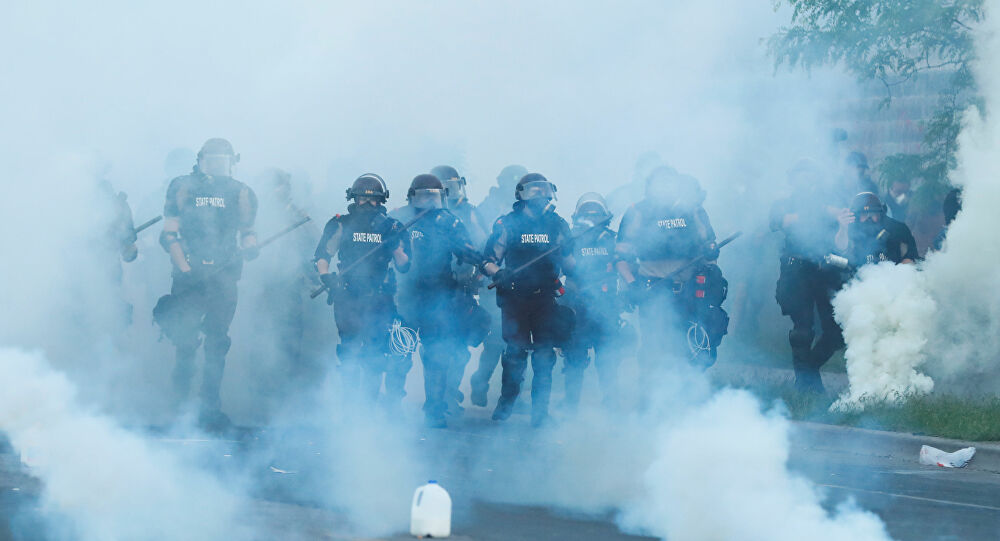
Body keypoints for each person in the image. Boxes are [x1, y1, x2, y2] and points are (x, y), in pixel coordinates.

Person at [153, 138, 258, 431]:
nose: (216, 165)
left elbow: (247, 231)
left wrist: (251, 246)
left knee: (217, 342)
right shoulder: (183, 186)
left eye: (222, 160)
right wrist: (186, 268)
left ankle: (210, 407)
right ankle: (179, 409)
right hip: (189, 276)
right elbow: (169, 234)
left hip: (224, 276)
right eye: (210, 160)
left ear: (232, 162)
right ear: (200, 160)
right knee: (185, 341)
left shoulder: (241, 192)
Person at [391, 174, 488, 427]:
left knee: (436, 355)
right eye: (423, 196)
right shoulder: (399, 219)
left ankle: (434, 409)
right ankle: (392, 407)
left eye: (433, 196)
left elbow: (467, 250)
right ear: (412, 196)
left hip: (438, 298)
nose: (428, 201)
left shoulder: (449, 221)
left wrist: (487, 265)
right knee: (400, 352)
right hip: (407, 297)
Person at [616, 167, 725, 390]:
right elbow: (620, 256)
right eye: (660, 182)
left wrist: (711, 265)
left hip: (689, 288)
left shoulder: (692, 209)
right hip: (652, 289)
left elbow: (710, 250)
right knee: (653, 346)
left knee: (692, 344)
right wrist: (632, 284)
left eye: (669, 182)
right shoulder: (637, 212)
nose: (665, 187)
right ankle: (650, 395)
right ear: (650, 186)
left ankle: (690, 394)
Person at [481, 173, 574, 427]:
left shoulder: (557, 224)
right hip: (515, 298)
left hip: (545, 298)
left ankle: (540, 414)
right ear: (522, 195)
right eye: (535, 191)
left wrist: (574, 257)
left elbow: (569, 263)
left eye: (544, 191)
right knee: (515, 353)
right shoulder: (508, 224)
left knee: (544, 356)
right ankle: (507, 401)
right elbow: (488, 260)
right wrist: (498, 273)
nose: (540, 195)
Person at [314, 173, 411, 412]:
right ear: (353, 199)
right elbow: (323, 255)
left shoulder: (393, 227)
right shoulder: (341, 224)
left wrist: (395, 247)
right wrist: (326, 277)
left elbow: (404, 265)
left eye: (373, 200)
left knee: (376, 353)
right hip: (348, 296)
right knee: (348, 349)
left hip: (380, 298)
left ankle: (368, 407)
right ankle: (349, 406)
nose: (367, 204)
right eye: (362, 199)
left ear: (381, 200)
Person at [769, 158, 844, 393]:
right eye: (801, 175)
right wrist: (821, 212)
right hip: (797, 270)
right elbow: (781, 221)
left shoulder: (830, 201)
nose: (806, 179)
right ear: (793, 179)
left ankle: (808, 371)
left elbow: (842, 224)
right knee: (802, 329)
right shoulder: (784, 203)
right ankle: (806, 386)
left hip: (825, 269)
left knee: (836, 330)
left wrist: (828, 212)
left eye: (810, 175)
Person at [430, 165, 490, 410]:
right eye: (444, 188)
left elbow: (485, 245)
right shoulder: (422, 215)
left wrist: (479, 274)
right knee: (436, 345)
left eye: (453, 187)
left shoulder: (470, 213)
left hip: (462, 288)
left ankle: (448, 390)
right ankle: (440, 396)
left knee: (459, 347)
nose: (450, 193)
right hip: (432, 290)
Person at [470, 165, 529, 408]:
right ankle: (480, 381)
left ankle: (514, 396)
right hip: (495, 282)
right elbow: (482, 243)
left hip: (523, 284)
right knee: (496, 340)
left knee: (520, 342)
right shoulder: (487, 209)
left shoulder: (527, 212)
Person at [560, 193, 623, 412]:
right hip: (576, 305)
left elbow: (625, 264)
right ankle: (571, 406)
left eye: (596, 215)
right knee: (574, 358)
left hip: (606, 305)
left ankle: (611, 405)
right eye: (588, 215)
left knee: (607, 358)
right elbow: (558, 268)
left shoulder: (613, 239)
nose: (592, 219)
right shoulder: (569, 240)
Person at [836, 192, 918, 267]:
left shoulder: (898, 229)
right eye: (864, 214)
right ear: (856, 216)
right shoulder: (850, 227)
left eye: (872, 213)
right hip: (858, 276)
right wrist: (843, 229)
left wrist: (898, 272)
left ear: (880, 213)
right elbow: (841, 249)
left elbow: (910, 258)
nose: (868, 218)